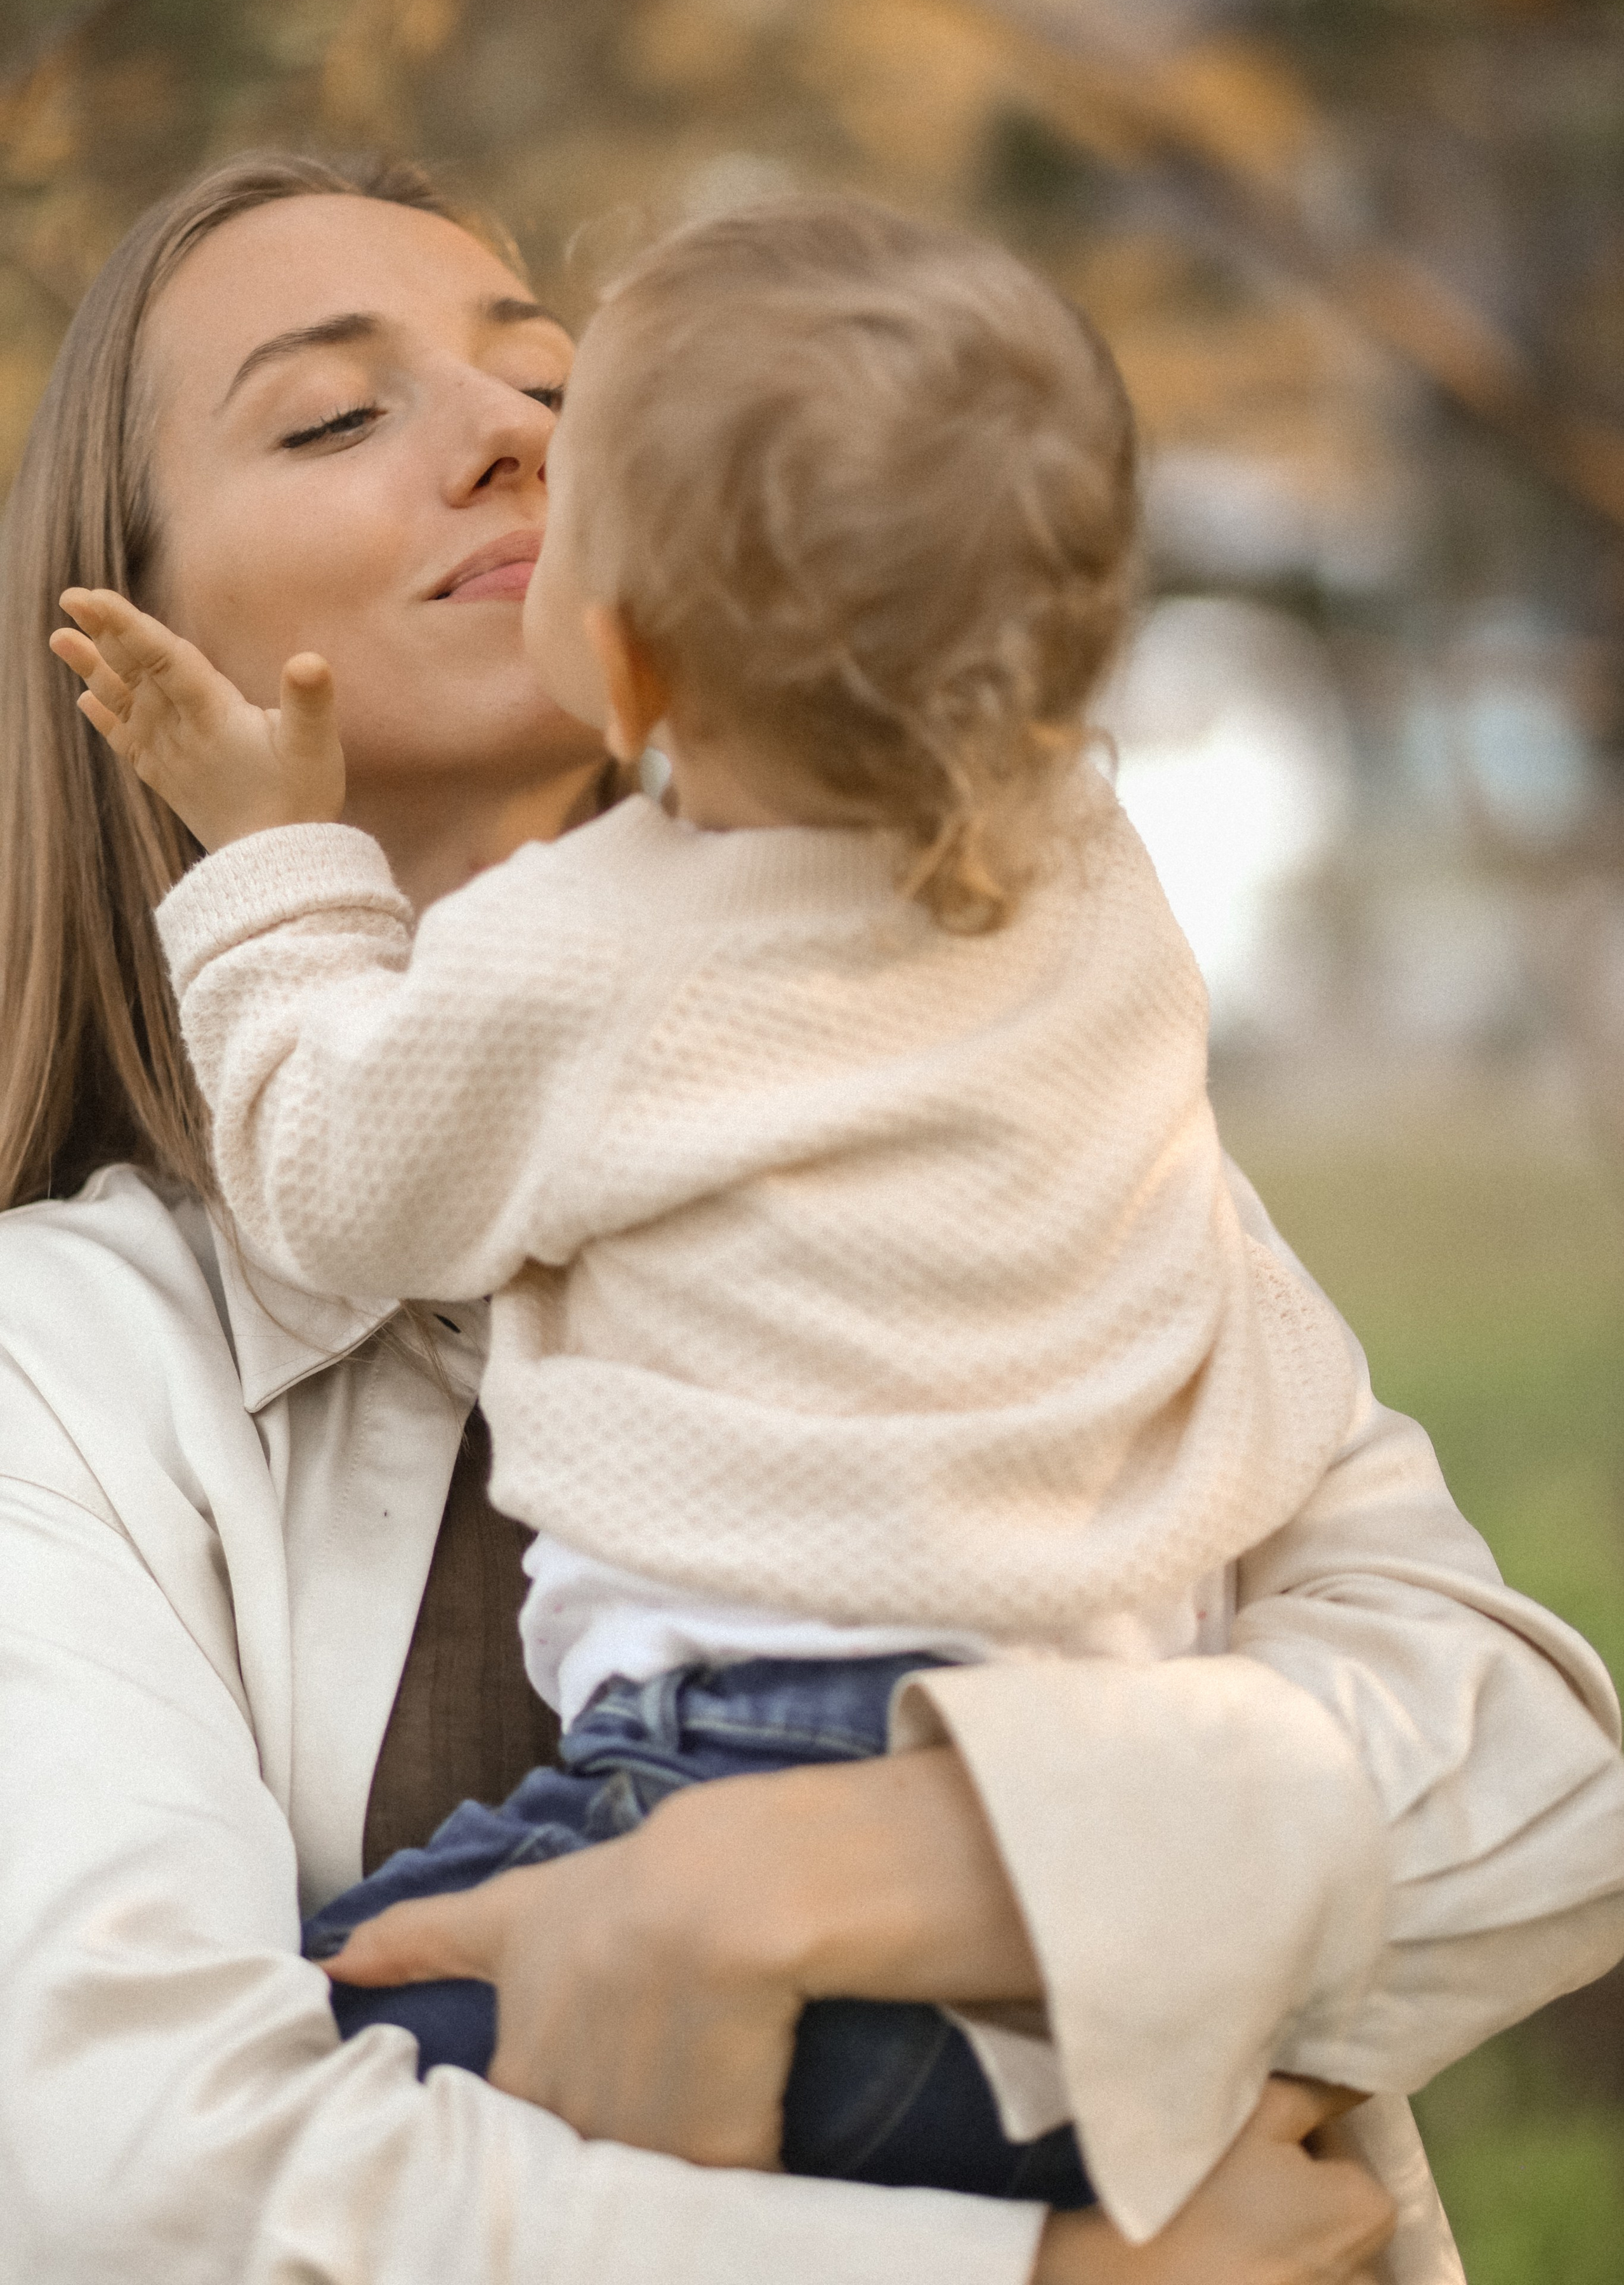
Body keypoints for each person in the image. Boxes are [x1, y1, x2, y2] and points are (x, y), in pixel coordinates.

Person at [0, 148, 1620, 2285]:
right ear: (119, 639)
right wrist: (1053, 2272)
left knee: (378, 2004)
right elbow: (128, 2176)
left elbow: (1540, 1787)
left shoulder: (1009, 1124)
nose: (510, 436)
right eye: (330, 416)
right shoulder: (66, 1366)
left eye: (557, 391)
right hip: (1126, 2166)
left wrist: (812, 1883)